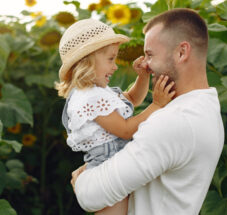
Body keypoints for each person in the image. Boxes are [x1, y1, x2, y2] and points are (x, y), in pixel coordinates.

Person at [70, 8, 224, 215]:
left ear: (181, 52)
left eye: (150, 55)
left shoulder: (175, 121)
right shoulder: (205, 107)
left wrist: (81, 179)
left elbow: (92, 196)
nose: (145, 65)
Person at [55, 19, 175, 215]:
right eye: (111, 59)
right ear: (87, 61)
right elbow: (126, 130)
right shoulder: (89, 97)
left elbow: (131, 99)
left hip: (112, 158)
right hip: (106, 164)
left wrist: (142, 77)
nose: (116, 66)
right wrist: (157, 105)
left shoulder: (95, 90)